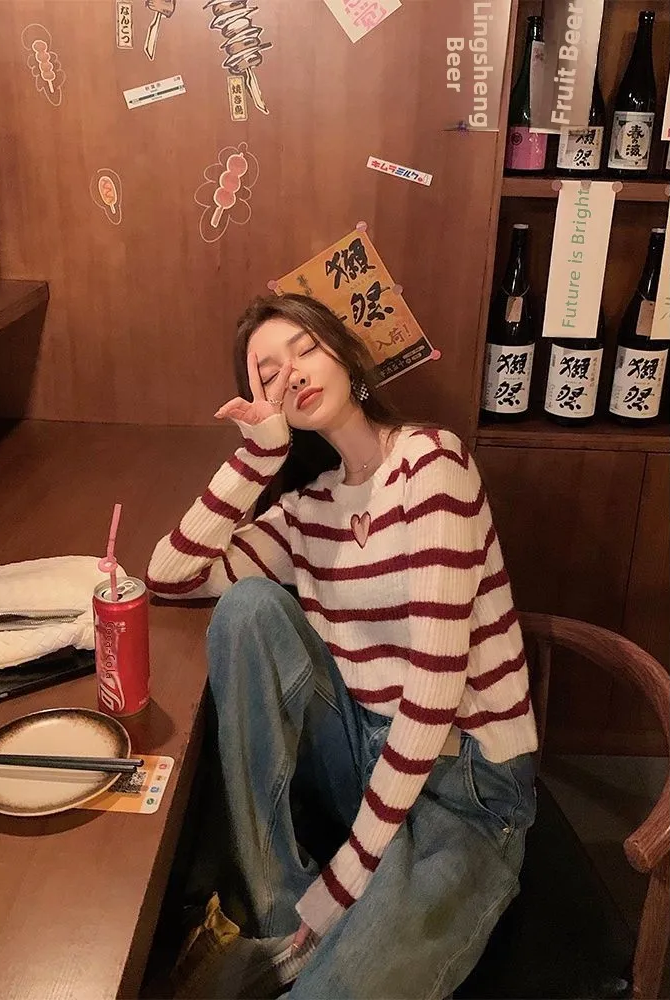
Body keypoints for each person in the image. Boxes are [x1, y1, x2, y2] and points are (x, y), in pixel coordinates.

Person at [146, 293, 539, 999]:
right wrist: (258, 455)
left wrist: (349, 875)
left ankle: (299, 944)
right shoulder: (309, 508)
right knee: (246, 609)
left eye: (305, 349)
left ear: (347, 356)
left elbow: (435, 688)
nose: (292, 373)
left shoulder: (432, 464)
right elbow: (171, 576)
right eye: (268, 374)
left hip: (465, 786)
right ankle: (277, 915)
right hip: (361, 752)